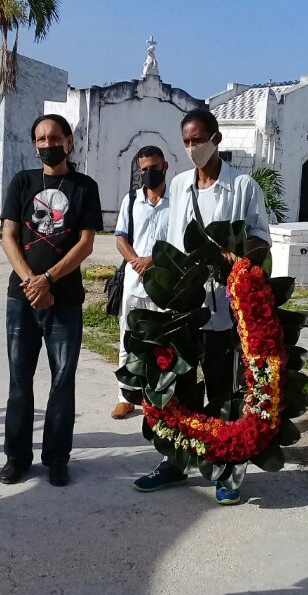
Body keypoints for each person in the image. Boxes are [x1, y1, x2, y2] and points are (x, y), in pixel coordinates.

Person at [131, 108, 270, 505]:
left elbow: (262, 237)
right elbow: (170, 239)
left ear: (217, 139)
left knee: (225, 390)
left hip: (224, 310)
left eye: (199, 140)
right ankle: (174, 461)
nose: (193, 148)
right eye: (187, 142)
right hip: (181, 307)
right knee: (179, 387)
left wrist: (234, 253)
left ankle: (227, 470)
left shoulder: (242, 187)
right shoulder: (177, 187)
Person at [0, 114, 103, 487]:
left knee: (62, 381)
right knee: (19, 381)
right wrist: (31, 281)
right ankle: (16, 458)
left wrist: (48, 279)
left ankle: (57, 458)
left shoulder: (84, 187)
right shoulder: (22, 181)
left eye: (54, 137)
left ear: (69, 141)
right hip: (21, 298)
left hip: (65, 299)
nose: (47, 144)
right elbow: (8, 235)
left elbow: (86, 243)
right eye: (40, 138)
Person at [111, 146, 171, 419]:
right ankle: (125, 396)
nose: (149, 173)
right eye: (144, 169)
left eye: (154, 167)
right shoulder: (132, 200)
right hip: (134, 285)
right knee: (129, 338)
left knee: (163, 343)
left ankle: (158, 397)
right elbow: (121, 237)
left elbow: (179, 242)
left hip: (165, 286)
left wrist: (154, 262)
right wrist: (136, 261)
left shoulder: (178, 200)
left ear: (165, 166)